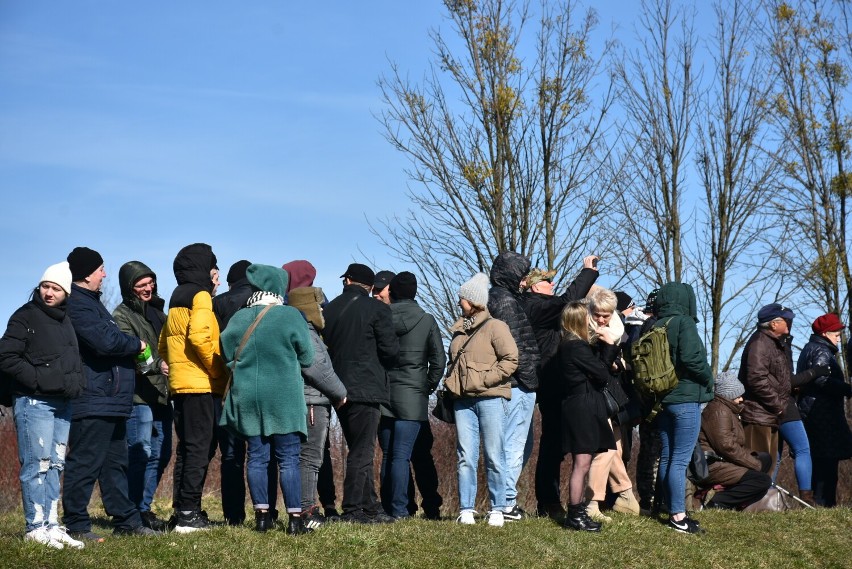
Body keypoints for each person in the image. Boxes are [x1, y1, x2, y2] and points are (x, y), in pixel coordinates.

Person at [61, 247, 158, 541]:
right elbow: (104, 341)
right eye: (100, 269)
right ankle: (76, 524)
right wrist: (136, 345)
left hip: (110, 398)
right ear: (87, 273)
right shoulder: (77, 304)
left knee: (115, 463)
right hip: (93, 397)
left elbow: (109, 338)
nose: (104, 274)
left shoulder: (93, 303)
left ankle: (126, 520)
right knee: (85, 462)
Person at [220, 264, 315, 534]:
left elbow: (226, 353)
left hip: (248, 396)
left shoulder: (239, 318)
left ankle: (262, 517)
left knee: (257, 458)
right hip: (283, 396)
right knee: (288, 459)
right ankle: (295, 520)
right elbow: (307, 357)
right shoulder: (289, 315)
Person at [0, 262, 86, 549]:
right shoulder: (25, 316)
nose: (49, 293)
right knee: (36, 465)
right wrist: (37, 378)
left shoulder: (65, 320)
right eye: (45, 286)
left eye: (56, 288)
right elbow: (6, 356)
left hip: (63, 403)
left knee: (55, 465)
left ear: (66, 293)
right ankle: (34, 527)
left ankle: (51, 525)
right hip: (34, 401)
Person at [521, 257, 599, 517]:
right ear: (534, 287)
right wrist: (587, 272)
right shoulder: (534, 306)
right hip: (549, 382)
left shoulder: (538, 305)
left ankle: (551, 501)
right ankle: (549, 502)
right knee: (552, 443)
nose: (552, 283)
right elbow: (568, 299)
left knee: (556, 443)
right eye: (547, 281)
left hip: (555, 382)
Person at [322, 263, 399, 524]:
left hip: (337, 388)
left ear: (348, 281)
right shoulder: (377, 309)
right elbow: (390, 351)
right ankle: (354, 510)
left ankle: (370, 506)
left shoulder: (329, 310)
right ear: (369, 286)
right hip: (367, 387)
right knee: (362, 452)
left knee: (358, 448)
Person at [159, 243, 228, 533]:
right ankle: (189, 515)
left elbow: (163, 343)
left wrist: (174, 367)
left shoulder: (177, 297)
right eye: (215, 272)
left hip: (181, 386)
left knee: (188, 450)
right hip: (201, 385)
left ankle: (182, 511)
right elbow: (201, 339)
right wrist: (218, 373)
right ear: (205, 270)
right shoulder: (200, 296)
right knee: (200, 449)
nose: (218, 280)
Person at [443, 273, 518, 527]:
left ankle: (497, 508)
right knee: (465, 455)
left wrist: (484, 380)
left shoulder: (497, 327)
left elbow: (511, 360)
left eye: (461, 298)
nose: (459, 302)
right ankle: (466, 508)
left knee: (494, 454)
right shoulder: (458, 331)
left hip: (491, 400)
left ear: (473, 300)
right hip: (462, 401)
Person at [284, 259, 347, 529]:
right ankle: (308, 511)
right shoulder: (304, 325)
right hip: (311, 398)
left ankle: (303, 508)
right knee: (309, 457)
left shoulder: (285, 314)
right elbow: (315, 364)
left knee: (301, 457)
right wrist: (339, 392)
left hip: (299, 396)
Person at [379, 272, 446, 520]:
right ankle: (401, 511)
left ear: (393, 292)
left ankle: (390, 508)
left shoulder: (381, 317)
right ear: (415, 292)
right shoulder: (426, 320)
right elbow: (439, 361)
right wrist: (425, 387)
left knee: (388, 455)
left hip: (384, 394)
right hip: (413, 396)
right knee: (403, 455)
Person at [112, 261, 171, 531]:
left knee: (162, 453)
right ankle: (131, 511)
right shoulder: (122, 315)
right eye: (141, 285)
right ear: (129, 287)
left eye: (150, 283)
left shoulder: (155, 312)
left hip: (162, 393)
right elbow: (135, 352)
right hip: (139, 396)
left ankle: (143, 509)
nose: (148, 288)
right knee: (141, 452)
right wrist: (158, 363)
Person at [653, 282, 714, 534]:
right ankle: (679, 516)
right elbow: (691, 358)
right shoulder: (683, 323)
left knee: (668, 457)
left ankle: (671, 507)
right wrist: (708, 378)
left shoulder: (657, 324)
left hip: (663, 400)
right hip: (686, 398)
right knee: (680, 460)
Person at [557, 300, 618, 532]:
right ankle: (575, 516)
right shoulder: (576, 347)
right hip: (582, 406)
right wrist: (610, 346)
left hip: (581, 404)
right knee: (581, 463)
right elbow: (602, 374)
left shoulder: (572, 345)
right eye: (587, 317)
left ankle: (578, 514)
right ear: (579, 320)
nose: (592, 321)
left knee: (583, 462)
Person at [488, 251, 540, 520]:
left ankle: (504, 500)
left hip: (515, 382)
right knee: (515, 444)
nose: (524, 281)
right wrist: (531, 379)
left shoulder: (496, 298)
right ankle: (506, 502)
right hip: (518, 383)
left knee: (516, 443)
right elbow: (517, 347)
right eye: (521, 275)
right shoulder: (506, 302)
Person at [584, 289, 640, 522]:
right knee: (606, 450)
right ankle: (592, 502)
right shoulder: (584, 330)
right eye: (597, 314)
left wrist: (616, 358)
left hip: (612, 398)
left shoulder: (618, 329)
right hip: (594, 396)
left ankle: (626, 496)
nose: (601, 320)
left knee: (614, 449)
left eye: (606, 315)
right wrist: (609, 349)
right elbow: (597, 369)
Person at [211, 259, 254, 526]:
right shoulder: (265, 302)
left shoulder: (220, 303)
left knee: (231, 453)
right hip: (260, 384)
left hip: (228, 386)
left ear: (230, 281)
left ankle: (234, 515)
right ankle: (267, 511)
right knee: (264, 452)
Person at [797, 313, 852, 507]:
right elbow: (821, 380)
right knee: (827, 462)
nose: (839, 336)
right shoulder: (821, 351)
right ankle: (824, 503)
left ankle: (820, 502)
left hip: (814, 411)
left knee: (820, 460)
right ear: (826, 333)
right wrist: (848, 389)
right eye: (837, 332)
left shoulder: (810, 348)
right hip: (822, 413)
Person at [697, 371, 772, 509]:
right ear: (728, 395)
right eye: (737, 395)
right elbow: (726, 447)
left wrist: (755, 460)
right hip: (713, 465)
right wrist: (754, 464)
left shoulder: (727, 409)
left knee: (765, 459)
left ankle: (734, 503)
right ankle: (717, 504)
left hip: (723, 459)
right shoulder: (719, 412)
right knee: (762, 480)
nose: (741, 399)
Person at [739, 303, 795, 469]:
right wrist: (777, 405)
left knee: (766, 470)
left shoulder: (772, 342)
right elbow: (756, 378)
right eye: (786, 320)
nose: (790, 323)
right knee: (757, 471)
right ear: (774, 324)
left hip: (768, 416)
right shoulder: (760, 343)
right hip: (758, 416)